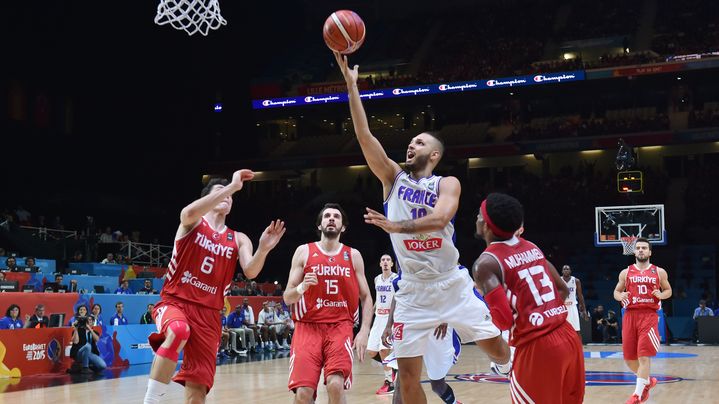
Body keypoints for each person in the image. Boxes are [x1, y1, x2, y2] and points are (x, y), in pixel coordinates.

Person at [335, 53, 510, 404]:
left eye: (420, 142)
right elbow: (364, 135)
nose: (411, 145)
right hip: (413, 292)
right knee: (409, 379)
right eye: (411, 141)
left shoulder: (447, 183)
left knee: (500, 352)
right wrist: (352, 88)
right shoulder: (392, 178)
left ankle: (509, 366)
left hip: (452, 283)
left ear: (435, 155)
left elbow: (442, 217)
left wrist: (397, 225)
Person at [143, 170, 286, 404]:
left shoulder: (238, 238)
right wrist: (231, 186)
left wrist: (264, 249)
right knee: (179, 330)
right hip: (175, 301)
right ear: (206, 199)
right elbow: (187, 212)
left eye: (230, 196)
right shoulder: (194, 222)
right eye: (219, 193)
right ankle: (150, 401)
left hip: (209, 314)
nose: (228, 197)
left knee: (197, 391)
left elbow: (251, 271)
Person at [473, 192, 585, 403]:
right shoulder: (532, 247)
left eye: (479, 215)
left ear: (487, 225)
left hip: (538, 348)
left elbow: (504, 321)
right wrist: (543, 313)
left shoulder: (485, 264)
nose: (476, 218)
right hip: (568, 336)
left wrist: (484, 300)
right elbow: (562, 290)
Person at [283, 203, 373, 404]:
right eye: (327, 216)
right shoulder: (304, 252)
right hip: (307, 328)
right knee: (303, 394)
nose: (331, 219)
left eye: (336, 217)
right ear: (320, 225)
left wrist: (365, 330)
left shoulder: (353, 255)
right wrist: (301, 288)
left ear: (343, 227)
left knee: (335, 384)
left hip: (340, 327)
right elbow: (287, 297)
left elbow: (366, 297)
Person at [613, 237, 673, 404]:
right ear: (634, 251)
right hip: (630, 316)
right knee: (628, 359)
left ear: (650, 252)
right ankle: (647, 381)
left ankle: (637, 396)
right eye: (638, 247)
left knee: (644, 356)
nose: (640, 250)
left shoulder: (659, 272)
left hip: (649, 316)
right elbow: (616, 292)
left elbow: (668, 290)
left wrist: (662, 295)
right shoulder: (626, 272)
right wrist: (620, 295)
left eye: (644, 248)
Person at [367, 254, 399, 395]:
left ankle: (389, 383)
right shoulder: (376, 279)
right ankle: (392, 366)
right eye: (383, 260)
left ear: (392, 264)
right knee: (371, 351)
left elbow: (398, 299)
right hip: (378, 317)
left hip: (390, 318)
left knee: (383, 350)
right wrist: (372, 311)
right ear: (380, 264)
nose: (385, 262)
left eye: (388, 260)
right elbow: (378, 298)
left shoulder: (396, 279)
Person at [561, 265, 588, 336]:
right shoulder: (559, 280)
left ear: (570, 271)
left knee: (576, 328)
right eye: (564, 269)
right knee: (562, 329)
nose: (566, 270)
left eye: (567, 269)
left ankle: (578, 345)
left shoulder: (576, 281)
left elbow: (580, 295)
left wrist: (584, 310)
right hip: (563, 307)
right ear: (562, 271)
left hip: (572, 307)